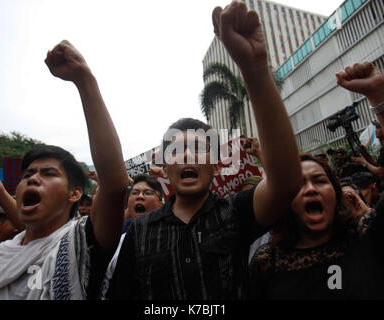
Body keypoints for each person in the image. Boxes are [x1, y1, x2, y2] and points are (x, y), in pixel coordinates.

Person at [108, 1, 302, 300]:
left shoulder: (236, 212)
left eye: (198, 149)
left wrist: (254, 69)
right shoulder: (139, 231)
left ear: (217, 165)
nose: (186, 156)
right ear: (164, 165)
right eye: (176, 150)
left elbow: (287, 182)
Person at [0, 40, 127, 300]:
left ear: (74, 194)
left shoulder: (81, 245)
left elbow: (115, 184)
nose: (34, 179)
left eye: (49, 174)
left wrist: (84, 79)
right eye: (28, 175)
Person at [249, 61, 384, 299]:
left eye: (320, 180)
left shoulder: (368, 235)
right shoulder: (267, 263)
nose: (311, 189)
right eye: (299, 185)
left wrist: (380, 95)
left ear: (336, 193)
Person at [101, 174, 163, 299]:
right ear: (128, 204)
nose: (140, 196)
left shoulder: (169, 237)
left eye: (148, 193)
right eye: (134, 193)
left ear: (160, 205)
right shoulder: (115, 239)